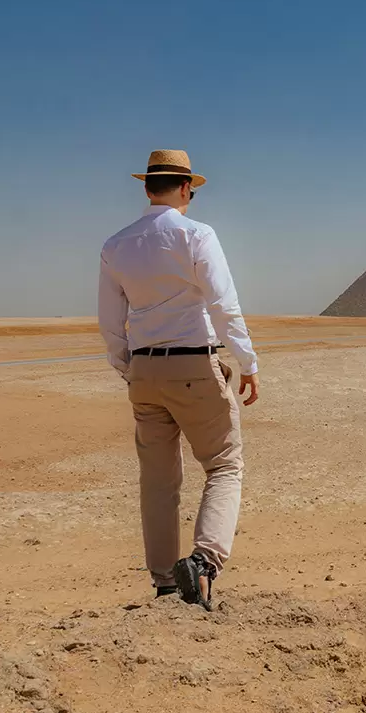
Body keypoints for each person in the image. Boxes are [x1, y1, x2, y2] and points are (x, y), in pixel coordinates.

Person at [98, 149, 259, 610]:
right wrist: (248, 362)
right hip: (194, 365)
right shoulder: (196, 235)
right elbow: (222, 305)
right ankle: (204, 565)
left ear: (147, 187)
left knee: (158, 480)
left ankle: (166, 581)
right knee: (224, 465)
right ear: (187, 188)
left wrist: (130, 369)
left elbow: (111, 322)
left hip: (145, 370)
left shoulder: (115, 245)